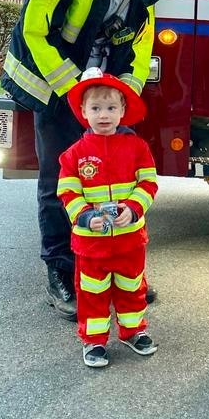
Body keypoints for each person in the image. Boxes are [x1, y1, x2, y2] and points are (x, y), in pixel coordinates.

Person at [1, 0, 166, 321]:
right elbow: (34, 29)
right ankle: (61, 271)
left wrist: (125, 96)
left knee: (105, 177)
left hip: (95, 94)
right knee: (59, 179)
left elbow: (142, 43)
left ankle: (105, 268)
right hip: (50, 81)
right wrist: (71, 90)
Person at [57, 68, 158, 367]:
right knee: (92, 292)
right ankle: (94, 341)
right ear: (84, 112)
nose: (104, 114)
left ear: (123, 111)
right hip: (92, 245)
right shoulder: (73, 155)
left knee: (132, 288)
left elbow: (148, 183)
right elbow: (68, 194)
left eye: (111, 107)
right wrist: (86, 217)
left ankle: (133, 332)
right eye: (96, 108)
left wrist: (134, 208)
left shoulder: (138, 147)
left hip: (130, 241)